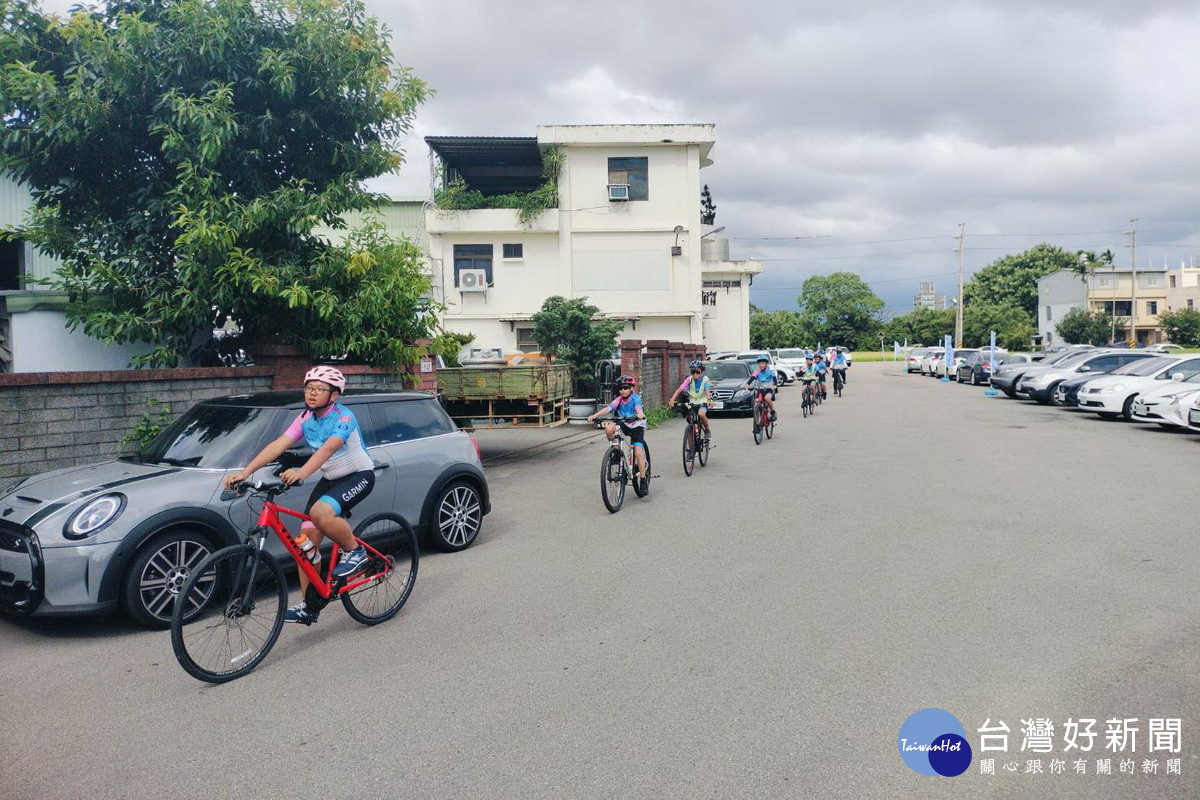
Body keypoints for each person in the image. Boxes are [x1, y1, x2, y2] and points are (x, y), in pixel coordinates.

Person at [223, 366, 375, 625]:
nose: (312, 394)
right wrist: (245, 472)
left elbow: (328, 449)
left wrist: (302, 472)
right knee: (304, 545)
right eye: (309, 388)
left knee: (320, 514)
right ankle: (310, 606)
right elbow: (278, 445)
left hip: (358, 476)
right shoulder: (305, 417)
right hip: (330, 481)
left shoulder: (344, 417)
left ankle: (356, 552)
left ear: (333, 395)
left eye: (319, 390)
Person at [587, 375, 649, 481]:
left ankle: (643, 479)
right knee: (609, 428)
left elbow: (638, 408)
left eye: (625, 388)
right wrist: (595, 415)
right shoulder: (619, 400)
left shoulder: (635, 398)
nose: (622, 390)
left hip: (637, 425)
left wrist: (639, 414)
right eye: (620, 388)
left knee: (638, 453)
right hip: (625, 423)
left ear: (631, 388)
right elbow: (608, 408)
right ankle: (615, 452)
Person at [668, 359, 713, 441]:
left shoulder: (705, 380)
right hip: (692, 402)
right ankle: (690, 449)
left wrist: (709, 400)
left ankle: (707, 430)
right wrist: (672, 399)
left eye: (697, 372)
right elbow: (679, 389)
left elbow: (707, 391)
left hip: (702, 401)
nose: (695, 374)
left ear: (702, 372)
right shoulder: (689, 379)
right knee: (690, 423)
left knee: (701, 414)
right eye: (693, 372)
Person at [744, 356, 778, 421]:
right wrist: (747, 385)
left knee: (767, 398)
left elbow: (774, 380)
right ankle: (757, 423)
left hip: (768, 390)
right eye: (759, 363)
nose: (761, 365)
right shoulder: (757, 372)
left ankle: (773, 411)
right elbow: (752, 379)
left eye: (763, 363)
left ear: (766, 364)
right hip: (760, 390)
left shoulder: (770, 372)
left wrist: (774, 386)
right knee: (756, 402)